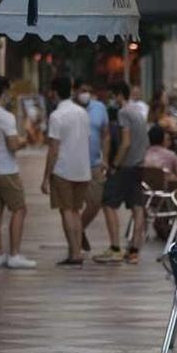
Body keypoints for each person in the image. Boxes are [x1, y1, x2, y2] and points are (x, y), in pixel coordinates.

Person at [0, 75, 36, 269]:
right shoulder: (5, 116)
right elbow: (12, 145)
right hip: (6, 170)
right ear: (3, 92)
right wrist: (25, 140)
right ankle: (15, 254)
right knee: (19, 209)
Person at [92, 81, 150, 265]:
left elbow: (125, 142)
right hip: (139, 165)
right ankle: (134, 249)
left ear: (118, 95)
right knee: (137, 206)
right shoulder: (138, 113)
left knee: (108, 202)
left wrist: (115, 164)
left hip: (126, 166)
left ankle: (115, 247)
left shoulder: (123, 113)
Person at [42, 76, 92, 266]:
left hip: (63, 169)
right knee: (76, 211)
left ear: (54, 92)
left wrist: (46, 177)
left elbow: (53, 148)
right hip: (83, 169)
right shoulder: (82, 113)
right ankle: (76, 250)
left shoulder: (56, 116)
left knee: (66, 211)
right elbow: (87, 139)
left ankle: (74, 254)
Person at [75, 79, 110, 253]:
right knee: (73, 205)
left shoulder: (99, 108)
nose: (85, 93)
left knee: (95, 202)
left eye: (88, 90)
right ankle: (75, 238)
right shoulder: (70, 109)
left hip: (95, 163)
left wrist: (106, 158)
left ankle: (78, 229)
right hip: (74, 164)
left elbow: (106, 134)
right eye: (82, 90)